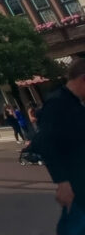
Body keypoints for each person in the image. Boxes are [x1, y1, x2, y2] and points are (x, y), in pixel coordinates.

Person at [35, 57, 85, 234]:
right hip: (77, 183)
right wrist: (62, 182)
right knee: (75, 227)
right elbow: (46, 143)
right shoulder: (57, 103)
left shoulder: (75, 103)